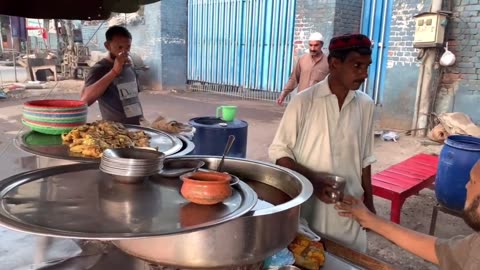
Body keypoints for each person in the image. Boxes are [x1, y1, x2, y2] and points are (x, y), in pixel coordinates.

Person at [268, 33, 375, 252]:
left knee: (349, 262)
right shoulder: (303, 102)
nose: (364, 74)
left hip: (349, 209)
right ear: (335, 63)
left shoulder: (366, 105)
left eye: (366, 66)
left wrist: (370, 204)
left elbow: (365, 158)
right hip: (309, 210)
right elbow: (280, 152)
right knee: (310, 257)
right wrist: (313, 180)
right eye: (357, 65)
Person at [337, 160, 480, 269]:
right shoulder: (475, 245)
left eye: (473, 181)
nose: (467, 185)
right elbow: (440, 250)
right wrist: (368, 218)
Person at [80, 25, 144, 125]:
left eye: (128, 47)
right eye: (119, 47)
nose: (125, 51)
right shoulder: (100, 69)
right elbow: (85, 100)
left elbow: (134, 98)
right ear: (107, 46)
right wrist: (114, 72)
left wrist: (141, 120)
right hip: (115, 131)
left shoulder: (129, 66)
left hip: (137, 127)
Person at [276, 32, 329, 105]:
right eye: (310, 45)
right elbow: (294, 79)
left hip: (319, 104)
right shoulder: (302, 60)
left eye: (316, 45)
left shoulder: (328, 62)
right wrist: (283, 94)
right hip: (302, 101)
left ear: (322, 45)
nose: (312, 48)